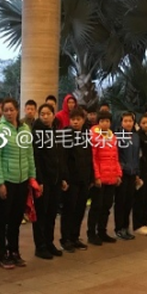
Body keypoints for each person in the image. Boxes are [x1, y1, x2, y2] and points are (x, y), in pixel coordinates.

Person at [0, 98, 37, 269]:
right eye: (6, 110)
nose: (9, 113)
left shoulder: (25, 129)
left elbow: (29, 154)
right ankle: (1, 255)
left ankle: (14, 251)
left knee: (16, 219)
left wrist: (32, 177)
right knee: (2, 220)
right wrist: (0, 183)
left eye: (12, 110)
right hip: (7, 181)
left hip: (22, 180)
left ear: (18, 111)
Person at [32, 104, 67, 259]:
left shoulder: (57, 133)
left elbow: (61, 158)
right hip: (43, 181)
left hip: (56, 179)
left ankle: (49, 242)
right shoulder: (37, 134)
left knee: (52, 213)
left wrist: (63, 178)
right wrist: (39, 181)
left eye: (48, 114)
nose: (45, 116)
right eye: (42, 114)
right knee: (41, 214)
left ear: (54, 115)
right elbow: (36, 159)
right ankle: (40, 246)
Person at [60, 107, 92, 252]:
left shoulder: (86, 135)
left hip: (84, 179)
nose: (75, 122)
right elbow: (63, 159)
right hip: (71, 180)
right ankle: (65, 239)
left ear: (83, 120)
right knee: (69, 210)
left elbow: (88, 157)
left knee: (80, 209)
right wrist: (64, 178)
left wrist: (90, 177)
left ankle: (75, 237)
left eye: (78, 119)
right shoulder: (66, 135)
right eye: (73, 119)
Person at [87, 111, 121, 246]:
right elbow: (93, 158)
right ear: (98, 122)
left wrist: (118, 174)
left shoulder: (113, 137)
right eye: (102, 121)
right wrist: (96, 176)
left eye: (107, 121)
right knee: (96, 206)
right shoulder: (94, 137)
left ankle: (102, 231)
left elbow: (116, 157)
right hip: (100, 177)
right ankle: (91, 233)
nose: (105, 123)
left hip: (111, 176)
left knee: (107, 206)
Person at [114, 112, 140, 241]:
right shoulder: (118, 137)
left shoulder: (136, 136)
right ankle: (119, 228)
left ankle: (126, 227)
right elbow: (117, 155)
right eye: (125, 121)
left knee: (129, 201)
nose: (128, 123)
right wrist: (121, 169)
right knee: (120, 202)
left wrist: (137, 173)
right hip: (122, 173)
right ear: (121, 123)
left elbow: (137, 156)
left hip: (132, 172)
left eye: (130, 121)